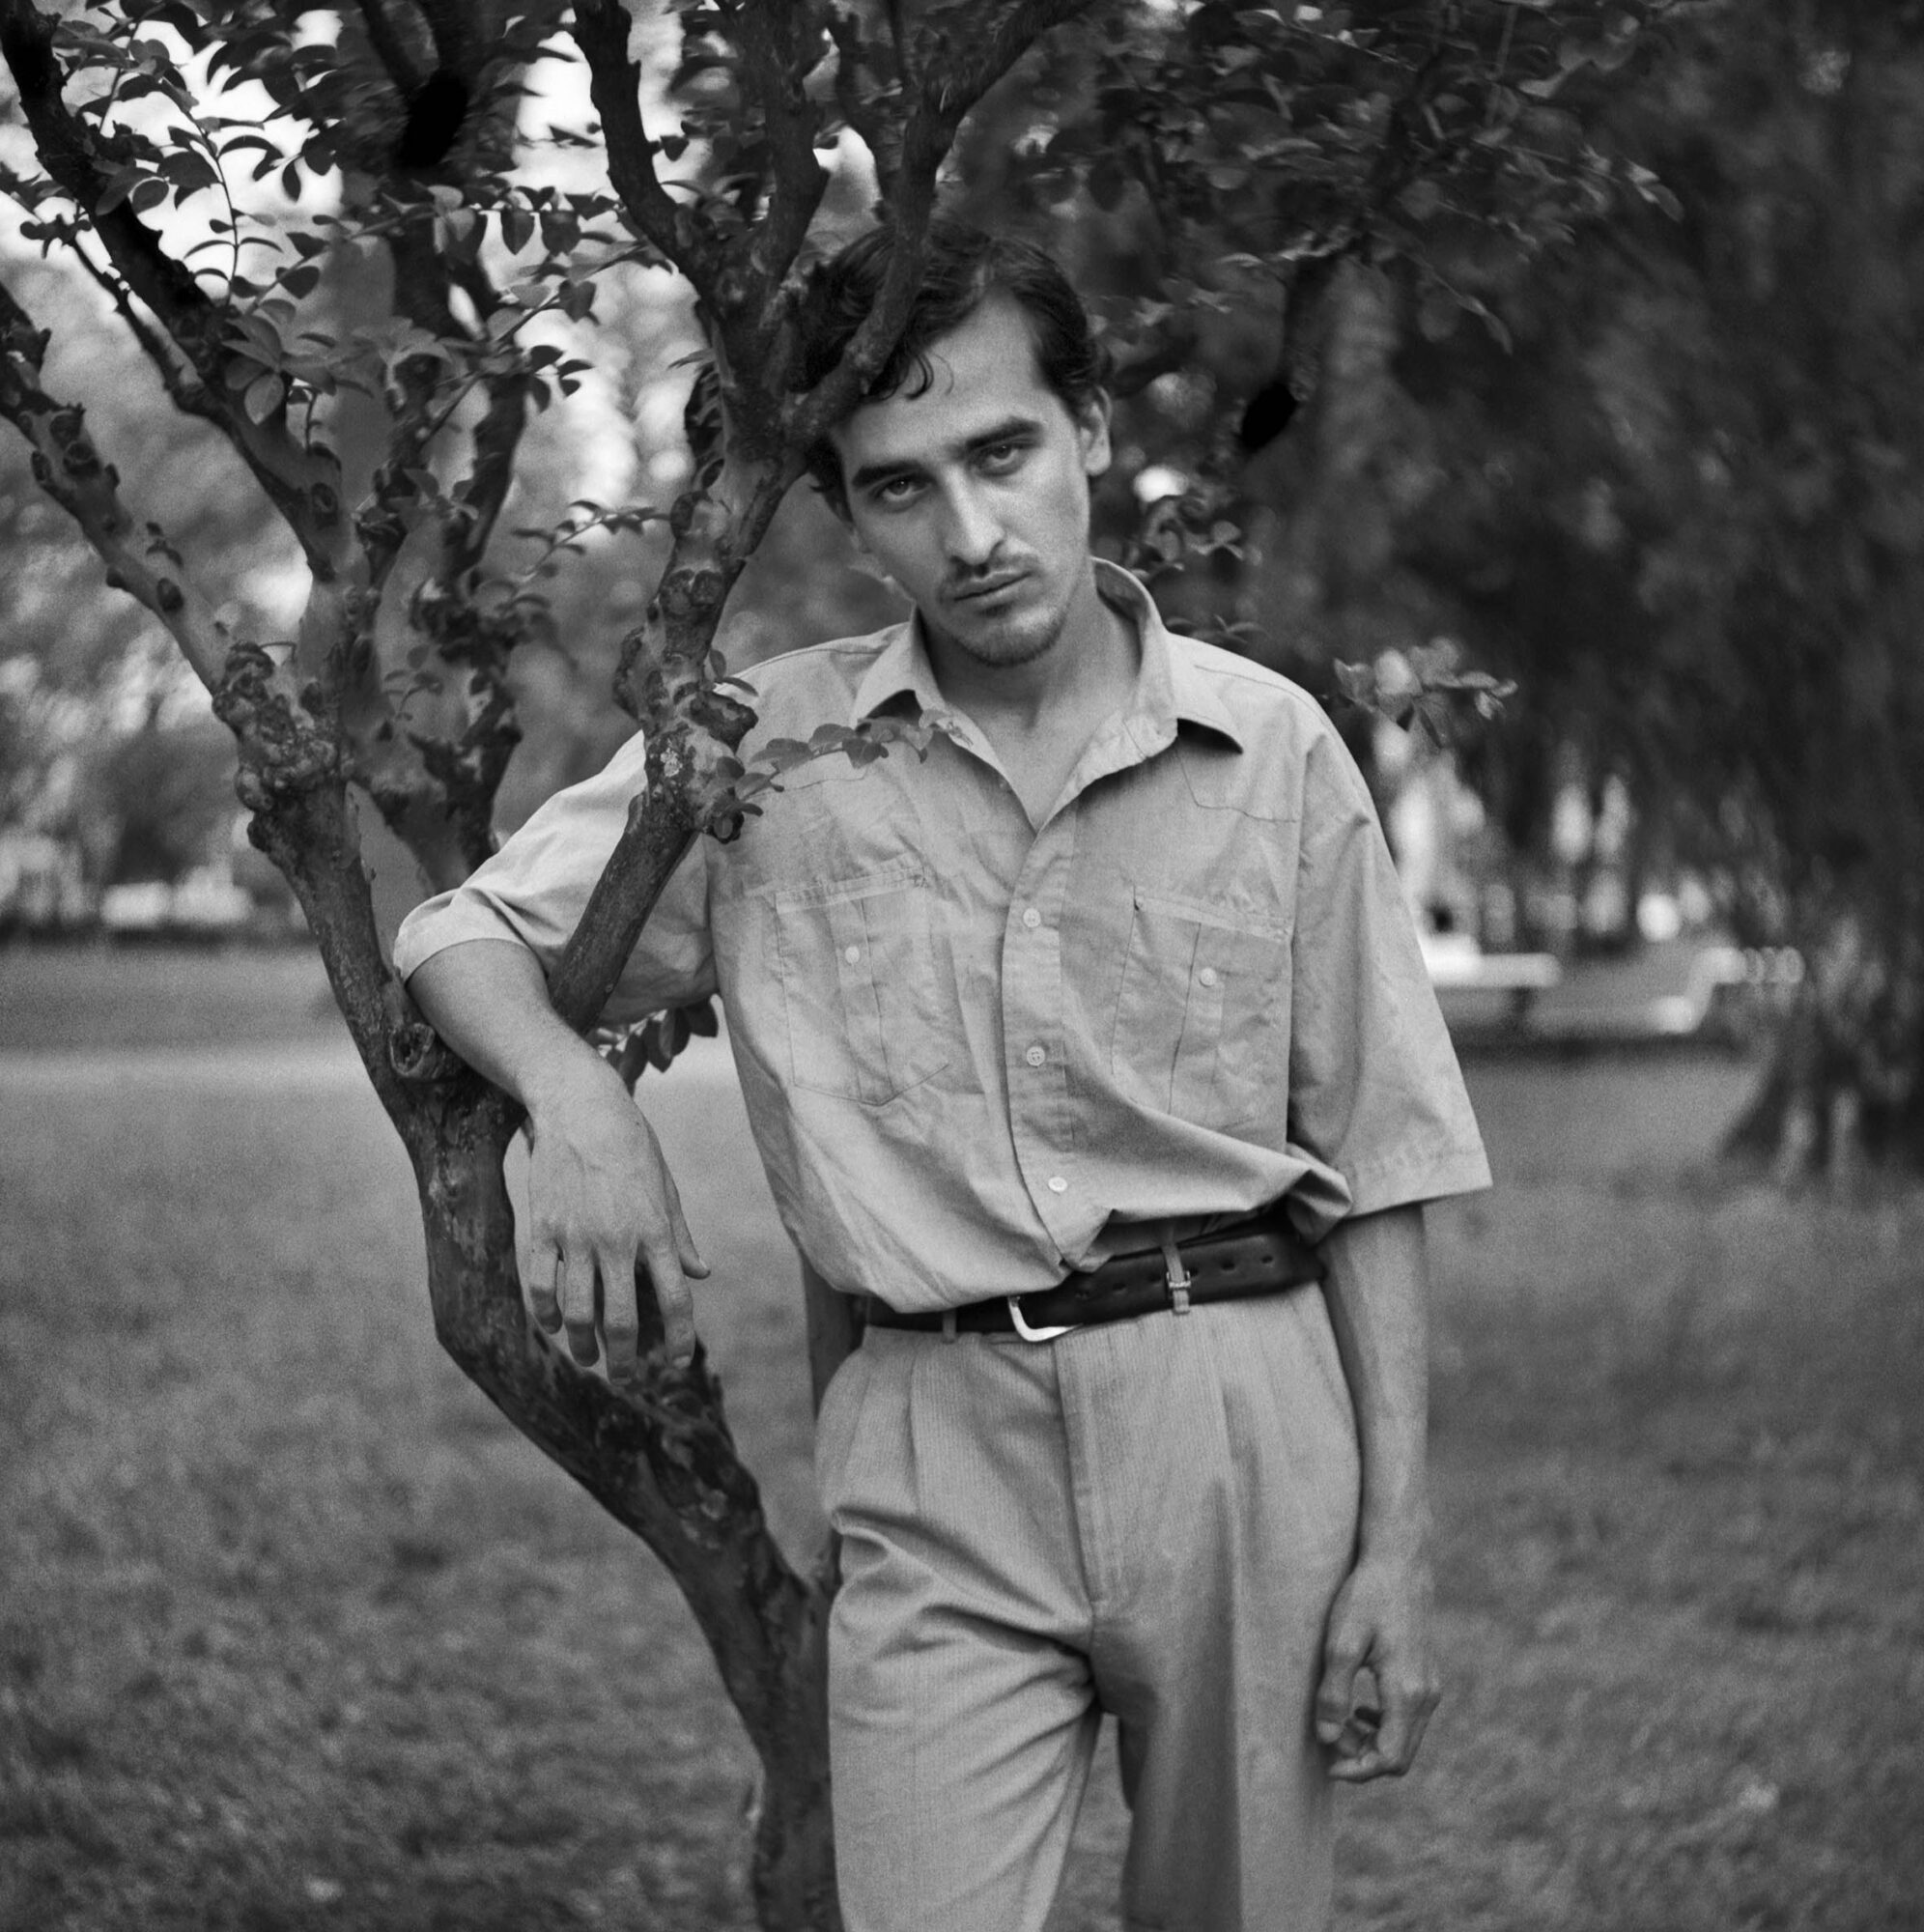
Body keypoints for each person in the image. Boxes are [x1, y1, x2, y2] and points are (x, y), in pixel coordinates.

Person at [394, 221, 1491, 1932]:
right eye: (901, 487)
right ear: (847, 512)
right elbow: (458, 932)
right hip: (930, 1441)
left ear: (1092, 431)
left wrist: (1398, 1550)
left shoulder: (1273, 747)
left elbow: (1386, 1162)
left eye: (1003, 452)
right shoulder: (764, 758)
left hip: (1242, 1421)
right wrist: (578, 1097)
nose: (971, 535)